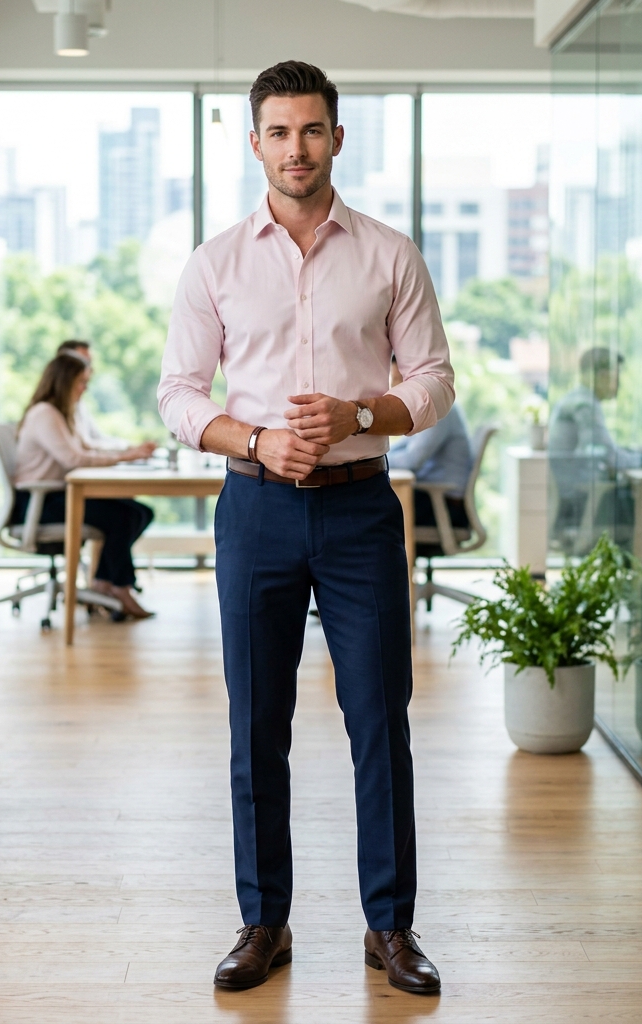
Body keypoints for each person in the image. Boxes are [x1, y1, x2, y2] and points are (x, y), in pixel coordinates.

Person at [158, 60, 453, 995]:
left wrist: (362, 417)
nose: (297, 148)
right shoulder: (215, 262)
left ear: (337, 137)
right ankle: (263, 921)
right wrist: (251, 438)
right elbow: (177, 393)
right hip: (255, 509)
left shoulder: (390, 254)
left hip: (364, 509)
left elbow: (435, 381)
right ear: (255, 143)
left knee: (379, 721)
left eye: (312, 130)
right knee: (257, 723)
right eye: (279, 132)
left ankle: (391, 927)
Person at [14, 351, 157, 619]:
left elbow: (87, 446)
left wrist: (130, 450)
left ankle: (104, 582)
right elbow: (72, 458)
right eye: (81, 382)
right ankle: (120, 588)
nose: (84, 389)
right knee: (123, 516)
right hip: (41, 503)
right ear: (64, 381)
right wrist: (126, 455)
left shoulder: (62, 413)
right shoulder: (45, 413)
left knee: (139, 512)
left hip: (57, 496)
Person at [548, 347, 642, 547]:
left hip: (577, 491)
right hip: (582, 499)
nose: (619, 383)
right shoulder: (585, 406)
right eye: (616, 376)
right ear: (602, 375)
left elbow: (600, 450)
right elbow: (610, 456)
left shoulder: (576, 399)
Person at [387, 357, 475, 530]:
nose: (395, 389)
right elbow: (404, 447)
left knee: (376, 506)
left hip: (445, 508)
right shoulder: (421, 410)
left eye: (399, 380)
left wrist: (376, 462)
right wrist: (377, 456)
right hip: (436, 500)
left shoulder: (437, 410)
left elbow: (412, 460)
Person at [55, 339, 128, 451]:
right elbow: (81, 449)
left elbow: (97, 437)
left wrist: (128, 447)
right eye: (84, 361)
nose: (89, 369)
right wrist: (126, 452)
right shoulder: (50, 409)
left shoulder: (78, 403)